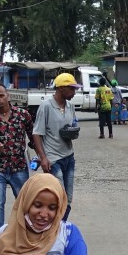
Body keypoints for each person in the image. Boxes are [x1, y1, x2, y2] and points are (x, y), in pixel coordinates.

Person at [0, 83, 35, 229]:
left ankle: (26, 233)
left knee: (24, 203)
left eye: (1, 95)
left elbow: (33, 136)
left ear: (8, 95)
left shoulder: (23, 115)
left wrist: (41, 154)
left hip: (19, 168)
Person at [32, 73, 81, 215]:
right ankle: (53, 229)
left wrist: (73, 132)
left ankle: (60, 227)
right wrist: (43, 158)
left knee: (68, 197)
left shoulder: (70, 106)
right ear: (60, 88)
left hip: (69, 156)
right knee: (58, 194)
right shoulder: (46, 107)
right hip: (53, 158)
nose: (74, 92)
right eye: (71, 89)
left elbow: (73, 125)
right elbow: (37, 133)